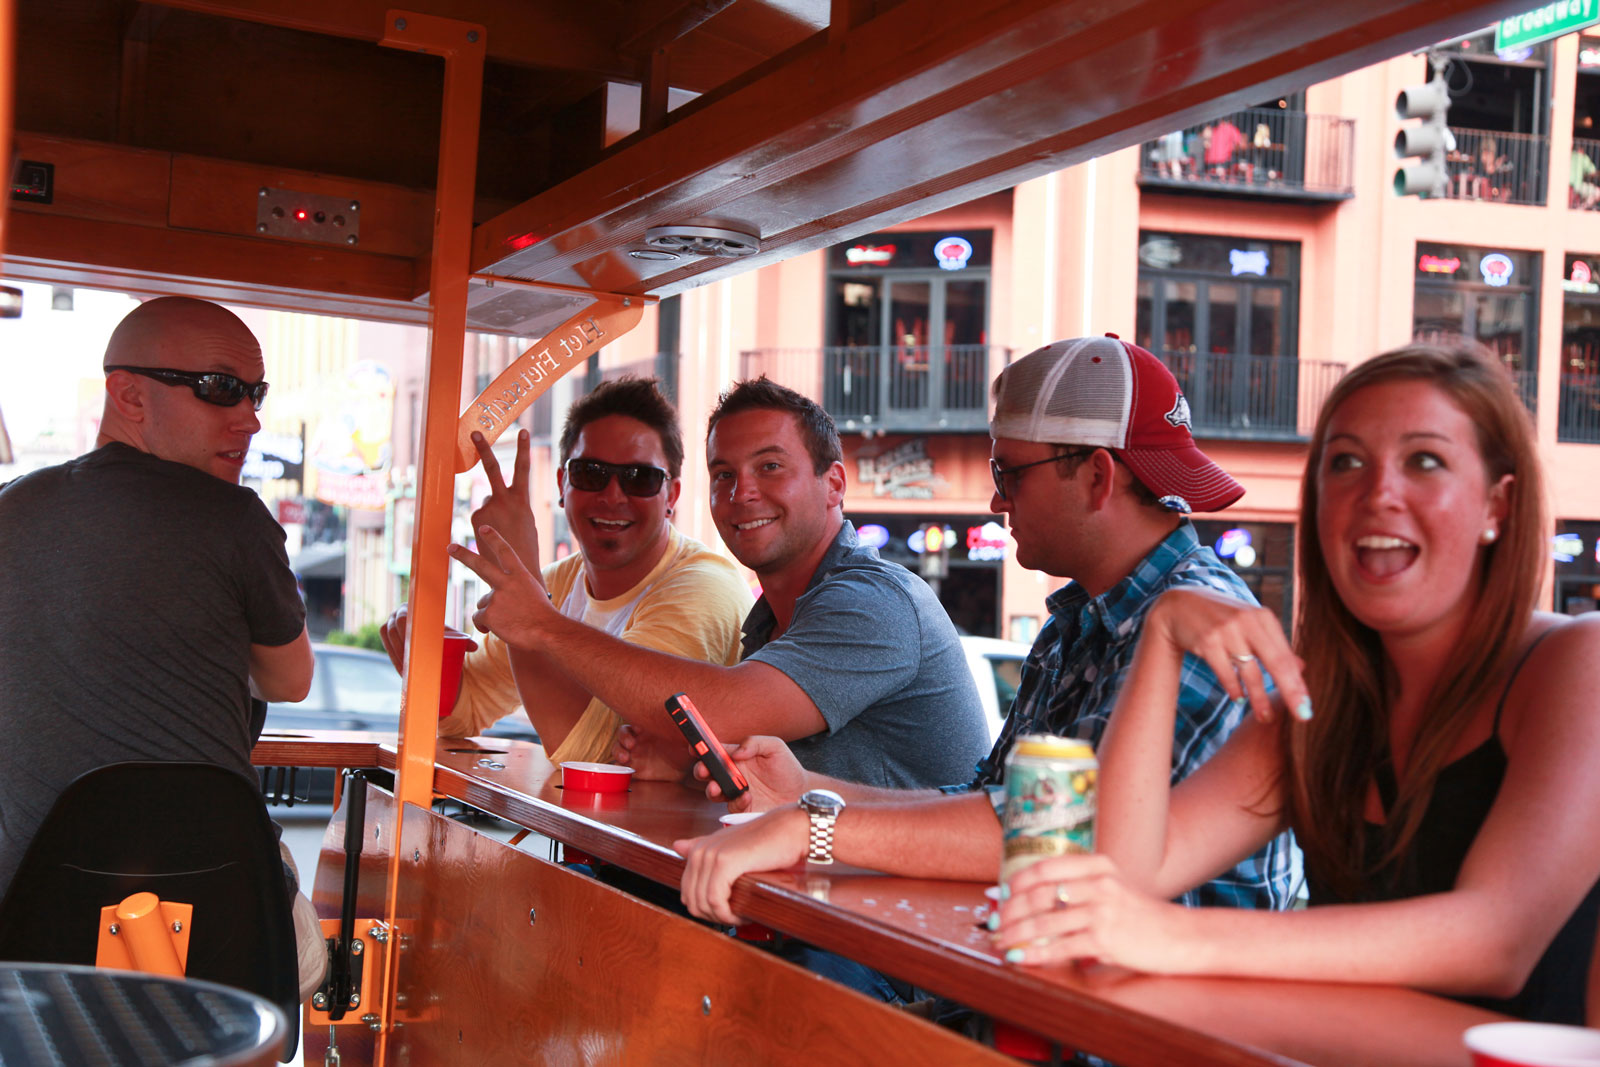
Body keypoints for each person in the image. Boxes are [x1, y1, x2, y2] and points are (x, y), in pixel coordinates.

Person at [994, 342, 1600, 1027]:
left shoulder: (1578, 661)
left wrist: (1163, 936)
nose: (1379, 494)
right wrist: (1161, 635)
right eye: (1346, 462)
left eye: (1424, 461)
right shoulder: (1323, 699)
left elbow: (1497, 938)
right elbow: (1125, 876)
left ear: (1498, 504)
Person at [672, 335, 1301, 928]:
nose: (997, 502)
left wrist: (807, 827)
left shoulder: (1201, 625)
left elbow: (1061, 833)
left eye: (1009, 474)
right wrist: (808, 791)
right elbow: (994, 800)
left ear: (1098, 476)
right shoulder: (1079, 622)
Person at [0, 296, 323, 996]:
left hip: (28, 922)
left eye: (254, 392)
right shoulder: (235, 517)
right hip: (208, 920)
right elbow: (291, 679)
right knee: (309, 953)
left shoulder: (10, 511)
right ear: (128, 395)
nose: (249, 417)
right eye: (219, 389)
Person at [449, 376, 989, 791]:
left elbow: (711, 714)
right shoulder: (770, 624)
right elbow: (732, 760)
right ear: (563, 485)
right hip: (807, 906)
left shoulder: (875, 602)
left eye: (771, 466)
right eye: (724, 474)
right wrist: (687, 764)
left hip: (888, 927)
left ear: (834, 484)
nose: (743, 493)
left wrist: (540, 625)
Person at [380, 377, 752, 765]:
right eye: (591, 472)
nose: (612, 496)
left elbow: (596, 756)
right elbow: (465, 710)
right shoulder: (558, 582)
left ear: (671, 495)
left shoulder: (702, 589)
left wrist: (523, 580)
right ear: (562, 483)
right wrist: (421, 652)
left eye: (639, 478)